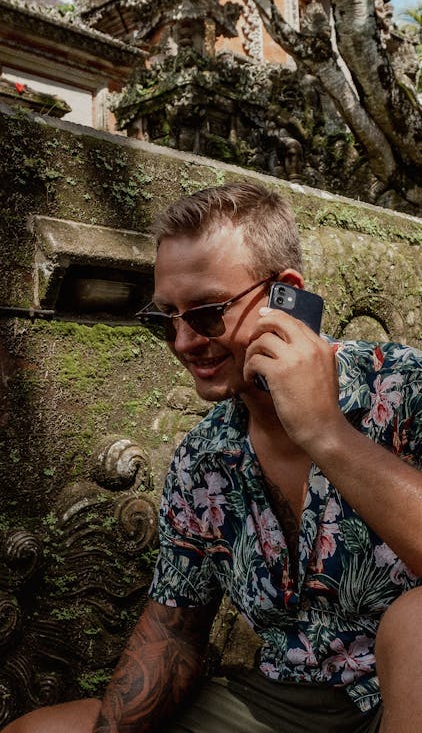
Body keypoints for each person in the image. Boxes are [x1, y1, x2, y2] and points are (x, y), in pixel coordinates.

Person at [5, 181, 422, 733]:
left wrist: (327, 433)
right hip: (282, 702)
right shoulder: (204, 459)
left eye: (204, 313)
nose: (183, 341)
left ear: (286, 294)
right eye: (165, 319)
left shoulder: (404, 387)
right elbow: (173, 633)